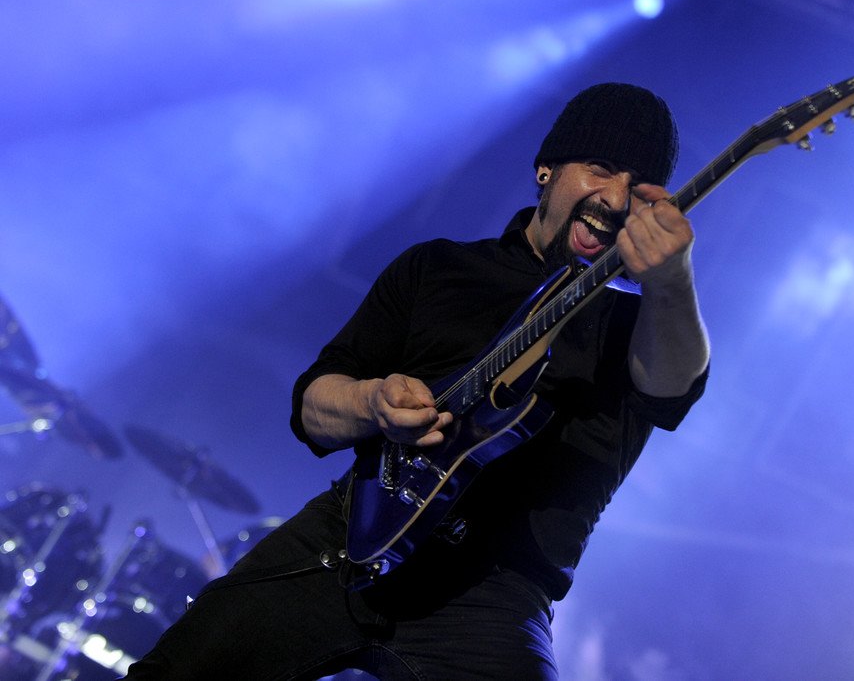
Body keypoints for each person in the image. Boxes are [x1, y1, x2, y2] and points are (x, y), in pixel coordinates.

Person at [124, 82, 710, 680]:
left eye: (638, 188)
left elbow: (672, 389)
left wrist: (672, 278)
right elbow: (313, 408)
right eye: (600, 169)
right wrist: (372, 401)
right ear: (547, 169)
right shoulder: (438, 267)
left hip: (495, 594)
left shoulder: (646, 323)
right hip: (347, 537)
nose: (614, 199)